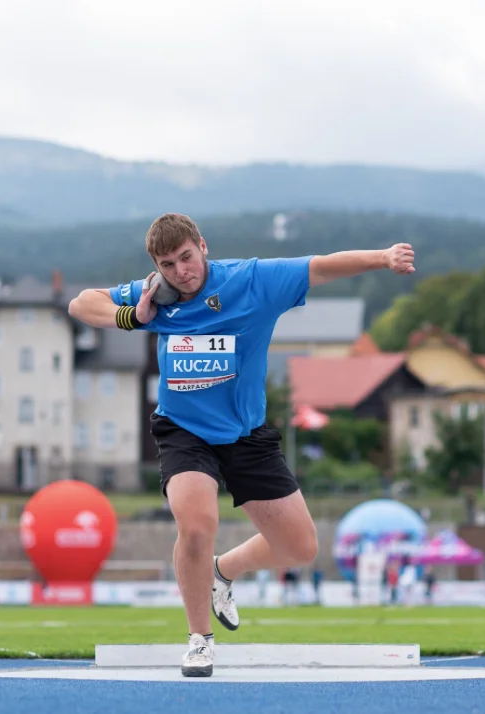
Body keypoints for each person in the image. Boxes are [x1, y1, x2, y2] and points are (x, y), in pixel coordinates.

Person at [68, 213, 415, 677]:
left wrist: (383, 258)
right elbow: (80, 304)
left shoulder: (253, 280)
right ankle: (199, 640)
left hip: (246, 433)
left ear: (203, 246)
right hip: (183, 431)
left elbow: (324, 265)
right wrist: (132, 315)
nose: (180, 272)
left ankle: (223, 571)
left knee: (300, 548)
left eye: (186, 258)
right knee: (195, 525)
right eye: (167, 264)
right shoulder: (156, 294)